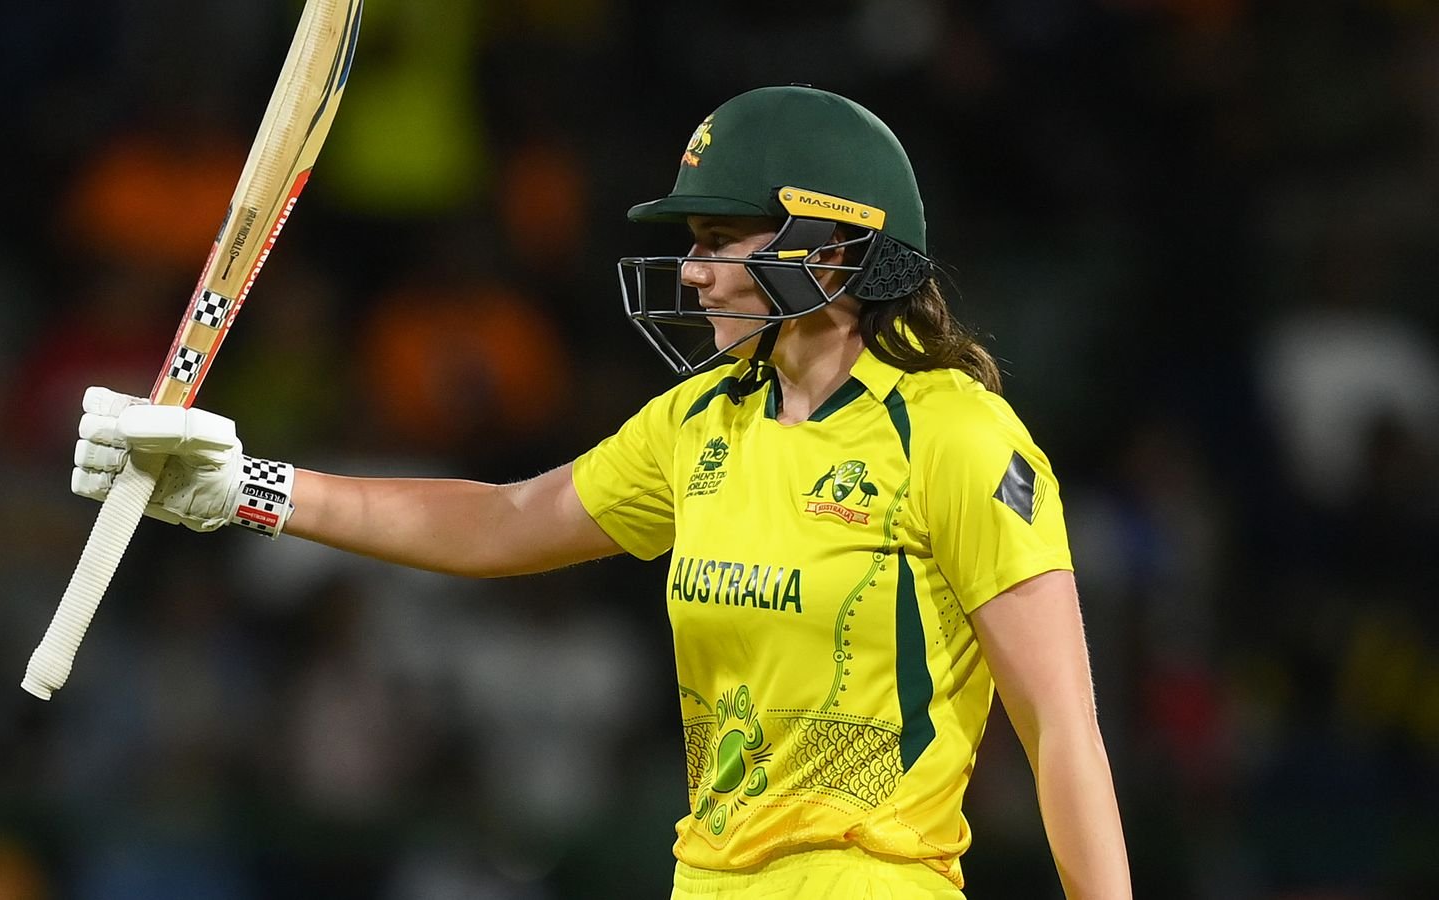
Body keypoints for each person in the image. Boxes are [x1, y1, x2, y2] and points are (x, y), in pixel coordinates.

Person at [72, 85, 1133, 899]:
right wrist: (245, 488)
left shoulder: (951, 433)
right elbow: (500, 521)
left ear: (835, 246)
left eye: (720, 240)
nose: (693, 271)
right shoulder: (699, 425)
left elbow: (1060, 729)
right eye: (692, 245)